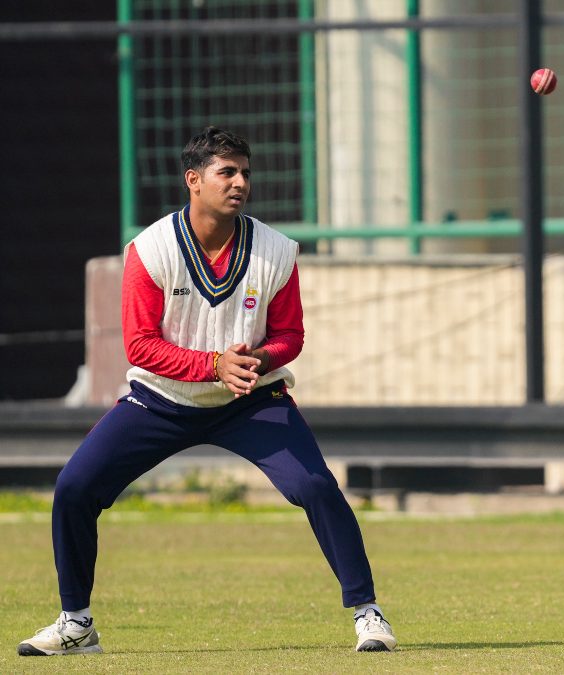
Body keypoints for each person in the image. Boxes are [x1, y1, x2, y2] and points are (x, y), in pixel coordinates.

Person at [18, 127, 396, 656]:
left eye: (245, 172)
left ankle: (368, 614)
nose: (240, 182)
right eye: (227, 172)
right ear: (193, 180)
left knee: (315, 487)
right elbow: (140, 347)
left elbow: (291, 336)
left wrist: (255, 362)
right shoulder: (149, 251)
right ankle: (76, 624)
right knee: (74, 488)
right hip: (160, 401)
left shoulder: (275, 250)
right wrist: (214, 364)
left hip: (251, 400)